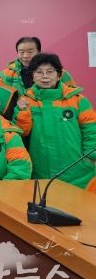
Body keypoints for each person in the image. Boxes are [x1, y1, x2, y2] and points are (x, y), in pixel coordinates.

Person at [14, 53, 95, 188]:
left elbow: (91, 130)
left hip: (79, 172)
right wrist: (22, 111)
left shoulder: (77, 100)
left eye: (50, 72)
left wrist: (91, 157)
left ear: (59, 75)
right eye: (39, 72)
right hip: (41, 171)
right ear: (33, 76)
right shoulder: (26, 100)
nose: (45, 76)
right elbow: (23, 132)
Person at [0, 37, 75, 96]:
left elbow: (71, 95)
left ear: (39, 52)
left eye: (30, 52)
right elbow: (0, 100)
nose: (25, 56)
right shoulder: (5, 74)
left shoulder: (59, 73)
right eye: (21, 52)